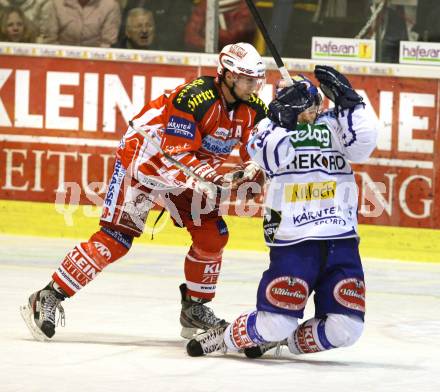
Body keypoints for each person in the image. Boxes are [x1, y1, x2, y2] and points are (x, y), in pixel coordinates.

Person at [20, 42, 268, 342]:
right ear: (227, 75)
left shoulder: (254, 107)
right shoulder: (193, 97)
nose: (253, 85)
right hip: (145, 163)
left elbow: (262, 146)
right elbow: (176, 150)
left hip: (188, 174)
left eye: (256, 79)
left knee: (212, 234)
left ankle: (194, 308)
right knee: (116, 239)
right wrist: (214, 177)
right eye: (247, 79)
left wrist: (258, 165)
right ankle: (47, 296)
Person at [186, 66, 379, 358]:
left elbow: (363, 147)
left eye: (311, 103)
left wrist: (351, 101)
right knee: (276, 321)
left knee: (347, 329)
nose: (309, 111)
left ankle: (281, 342)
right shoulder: (267, 129)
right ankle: (226, 337)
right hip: (294, 239)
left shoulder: (335, 123)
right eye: (299, 105)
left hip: (341, 238)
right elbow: (271, 157)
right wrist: (284, 119)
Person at [40, 0, 121, 47]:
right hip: (60, 58)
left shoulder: (111, 5)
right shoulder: (55, 3)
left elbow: (107, 42)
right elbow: (50, 39)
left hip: (96, 60)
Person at [184, 0, 256, 52]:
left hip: (239, 58)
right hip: (205, 56)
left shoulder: (245, 5)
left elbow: (235, 36)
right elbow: (190, 36)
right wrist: (205, 44)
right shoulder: (207, 3)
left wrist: (208, 31)